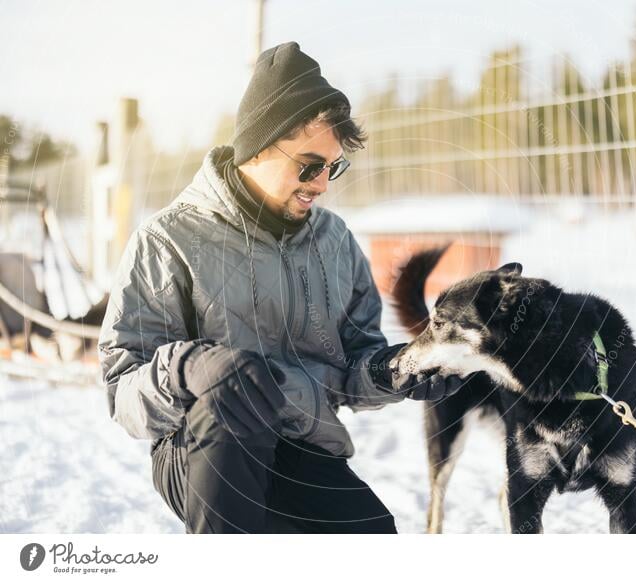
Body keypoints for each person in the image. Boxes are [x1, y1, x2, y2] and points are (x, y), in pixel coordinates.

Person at [98, 42, 465, 534]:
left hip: (304, 442)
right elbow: (123, 389)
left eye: (333, 168)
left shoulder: (334, 242)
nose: (323, 184)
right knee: (233, 393)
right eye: (310, 165)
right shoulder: (169, 241)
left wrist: (395, 370)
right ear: (260, 146)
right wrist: (190, 367)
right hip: (204, 447)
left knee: (374, 534)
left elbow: (351, 364)